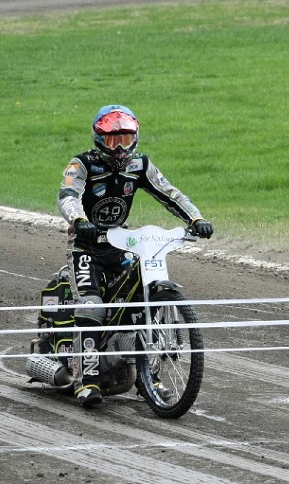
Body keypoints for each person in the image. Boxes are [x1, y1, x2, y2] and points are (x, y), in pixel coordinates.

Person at [58, 104, 214, 408]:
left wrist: (195, 219)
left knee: (141, 305)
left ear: (136, 138)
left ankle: (147, 377)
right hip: (87, 247)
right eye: (114, 140)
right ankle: (87, 379)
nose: (120, 148)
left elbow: (169, 192)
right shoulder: (81, 164)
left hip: (121, 244)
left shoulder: (141, 165)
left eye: (126, 140)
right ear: (99, 139)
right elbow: (67, 196)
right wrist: (79, 222)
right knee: (92, 307)